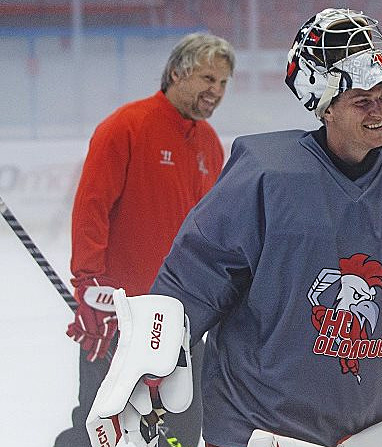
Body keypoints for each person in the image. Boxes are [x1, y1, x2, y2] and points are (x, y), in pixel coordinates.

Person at [85, 8, 382, 447]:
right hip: (260, 430)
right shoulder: (265, 176)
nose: (377, 112)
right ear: (326, 106)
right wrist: (145, 370)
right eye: (361, 100)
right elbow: (193, 281)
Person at [55, 33, 235, 447]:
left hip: (182, 320)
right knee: (104, 428)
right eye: (208, 78)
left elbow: (212, 232)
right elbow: (91, 208)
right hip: (120, 315)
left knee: (183, 433)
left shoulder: (209, 143)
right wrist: (87, 285)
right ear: (177, 72)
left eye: (223, 83)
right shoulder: (126, 127)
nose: (217, 91)